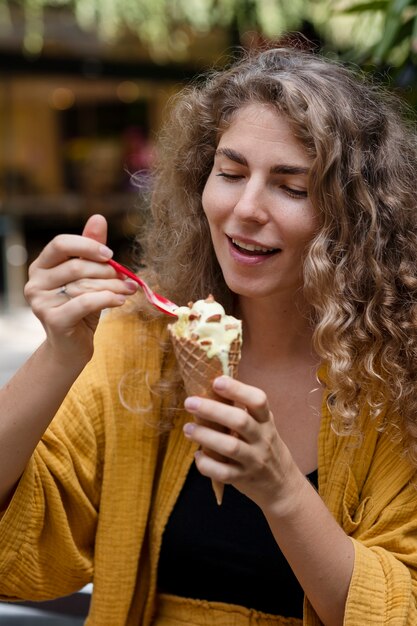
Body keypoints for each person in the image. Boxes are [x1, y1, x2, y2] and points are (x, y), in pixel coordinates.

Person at [1, 44, 417, 626]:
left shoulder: (396, 380)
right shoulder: (140, 341)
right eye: (230, 173)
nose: (245, 208)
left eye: (291, 188)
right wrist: (58, 355)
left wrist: (282, 491)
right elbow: (16, 556)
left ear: (355, 218)